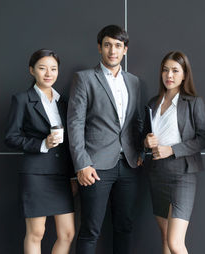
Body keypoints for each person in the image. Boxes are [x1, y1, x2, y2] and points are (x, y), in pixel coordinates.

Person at [67, 25, 144, 254]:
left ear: (125, 50)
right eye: (108, 45)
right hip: (95, 167)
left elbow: (137, 121)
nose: (113, 50)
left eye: (118, 46)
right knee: (90, 230)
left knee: (125, 227)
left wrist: (140, 152)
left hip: (129, 165)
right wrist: (82, 163)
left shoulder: (133, 82)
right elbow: (75, 123)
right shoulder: (84, 79)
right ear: (99, 47)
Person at [5, 49, 76, 254]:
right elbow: (11, 137)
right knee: (37, 233)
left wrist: (72, 176)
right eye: (42, 68)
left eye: (53, 69)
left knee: (68, 233)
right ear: (32, 70)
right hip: (35, 174)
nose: (48, 73)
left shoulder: (64, 102)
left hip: (61, 175)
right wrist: (42, 143)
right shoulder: (22, 99)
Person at [143, 51, 205, 254]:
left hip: (183, 174)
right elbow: (143, 137)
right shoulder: (152, 103)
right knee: (165, 238)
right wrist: (146, 141)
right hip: (157, 173)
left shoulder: (193, 102)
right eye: (165, 70)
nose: (169, 75)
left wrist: (172, 149)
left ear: (184, 75)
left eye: (175, 70)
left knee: (175, 242)